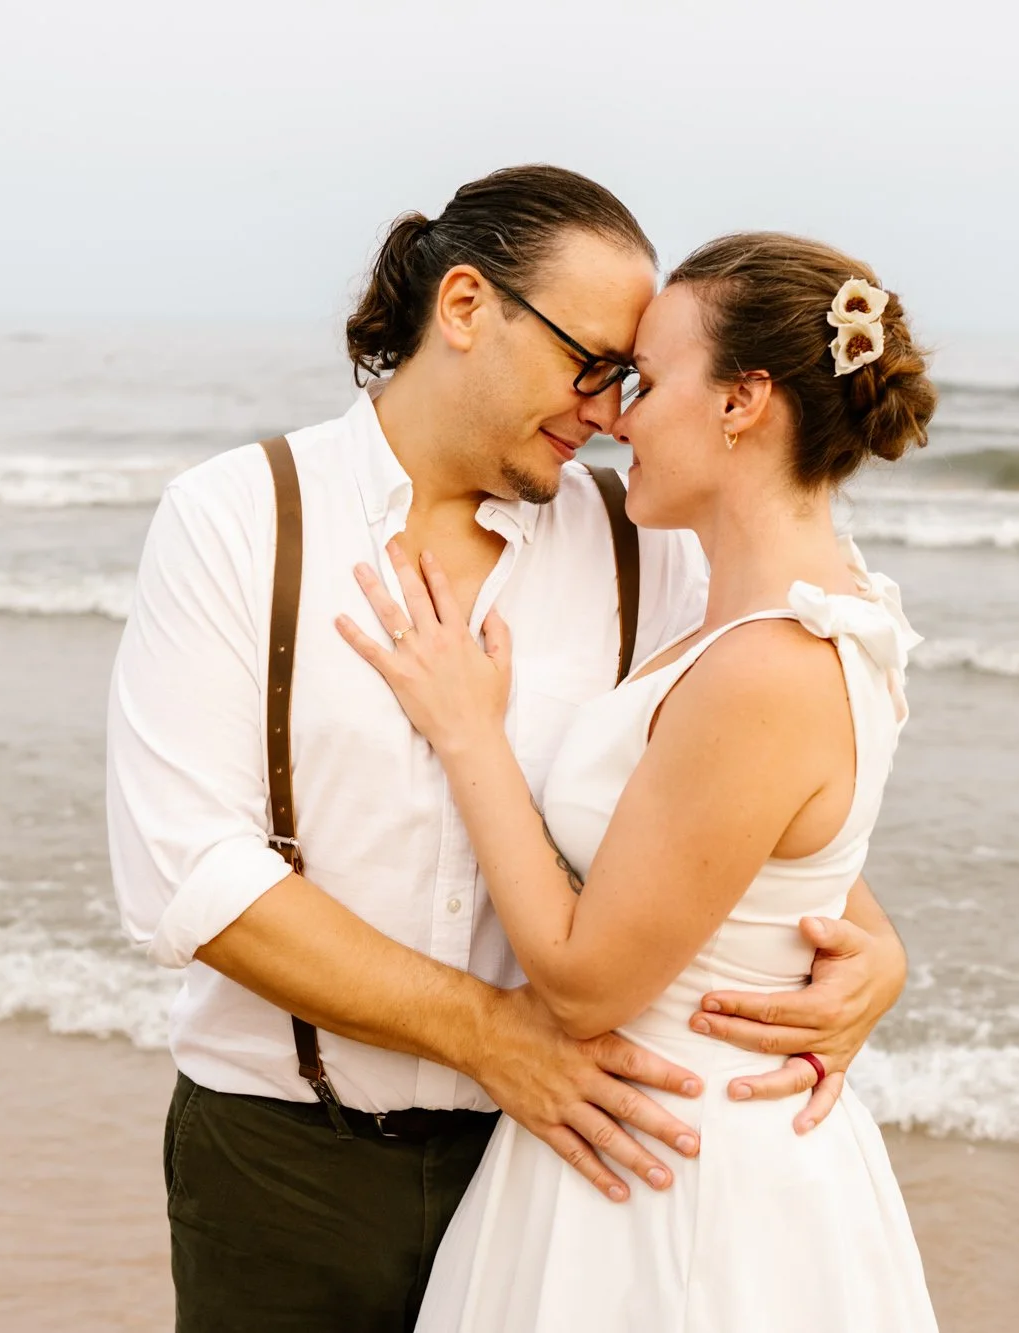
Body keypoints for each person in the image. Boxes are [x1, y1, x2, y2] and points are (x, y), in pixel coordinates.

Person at [106, 167, 913, 1331]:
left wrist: (875, 951)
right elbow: (190, 871)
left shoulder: (647, 547)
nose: (607, 408)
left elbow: (733, 795)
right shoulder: (237, 516)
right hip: (290, 1160)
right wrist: (490, 1035)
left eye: (630, 377)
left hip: (573, 1166)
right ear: (468, 307)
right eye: (589, 361)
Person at [338, 232, 940, 1330]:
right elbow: (763, 861)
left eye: (647, 383)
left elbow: (579, 985)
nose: (613, 417)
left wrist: (469, 734)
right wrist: (881, 949)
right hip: (646, 1134)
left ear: (741, 402)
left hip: (666, 1171)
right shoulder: (778, 615)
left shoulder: (767, 662)